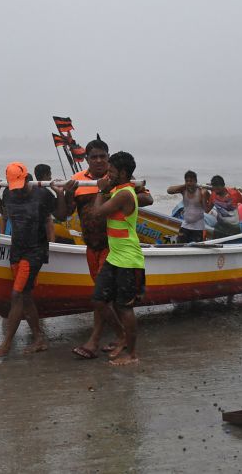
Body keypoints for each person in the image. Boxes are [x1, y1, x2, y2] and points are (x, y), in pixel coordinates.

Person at [62, 136, 153, 360]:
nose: (100, 161)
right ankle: (120, 336)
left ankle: (97, 341)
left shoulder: (119, 180)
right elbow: (63, 213)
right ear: (86, 159)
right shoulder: (78, 181)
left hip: (114, 249)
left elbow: (146, 198)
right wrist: (64, 193)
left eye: (104, 156)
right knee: (101, 298)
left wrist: (114, 194)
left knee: (109, 299)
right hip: (91, 246)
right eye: (94, 157)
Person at [0, 162, 66, 356]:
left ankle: (6, 344)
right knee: (26, 296)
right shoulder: (8, 193)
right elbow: (4, 213)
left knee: (17, 295)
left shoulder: (42, 195)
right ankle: (39, 339)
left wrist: (61, 194)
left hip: (35, 251)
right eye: (14, 186)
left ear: (27, 179)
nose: (18, 190)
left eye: (21, 185)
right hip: (17, 251)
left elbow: (61, 215)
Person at [89, 151, 145, 366]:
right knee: (99, 300)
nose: (108, 174)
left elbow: (97, 214)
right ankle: (122, 336)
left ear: (122, 173)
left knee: (124, 307)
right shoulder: (120, 190)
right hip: (115, 257)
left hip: (129, 260)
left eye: (111, 171)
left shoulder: (124, 194)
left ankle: (131, 354)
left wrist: (100, 191)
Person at [167, 170, 209, 243]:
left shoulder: (202, 192)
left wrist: (204, 197)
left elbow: (207, 209)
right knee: (180, 247)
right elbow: (169, 191)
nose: (189, 183)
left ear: (195, 181)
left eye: (191, 181)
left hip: (198, 227)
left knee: (197, 250)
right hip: (185, 226)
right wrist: (185, 185)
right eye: (187, 181)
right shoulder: (183, 190)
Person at [34, 163, 56, 243]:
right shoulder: (46, 194)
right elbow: (52, 218)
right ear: (45, 175)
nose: (51, 178)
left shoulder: (31, 190)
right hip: (42, 235)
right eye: (50, 175)